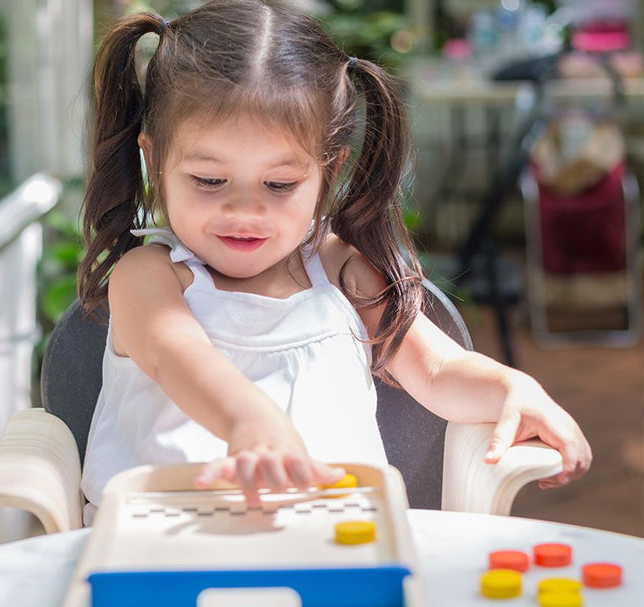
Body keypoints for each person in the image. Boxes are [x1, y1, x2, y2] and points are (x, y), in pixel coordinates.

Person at [77, 0, 591, 519]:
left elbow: (439, 371)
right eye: (209, 181)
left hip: (337, 550)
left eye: (280, 184)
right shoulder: (149, 276)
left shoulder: (340, 271)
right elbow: (177, 355)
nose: (245, 210)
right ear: (153, 158)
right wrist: (250, 423)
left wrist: (513, 389)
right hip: (156, 555)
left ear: (329, 169)